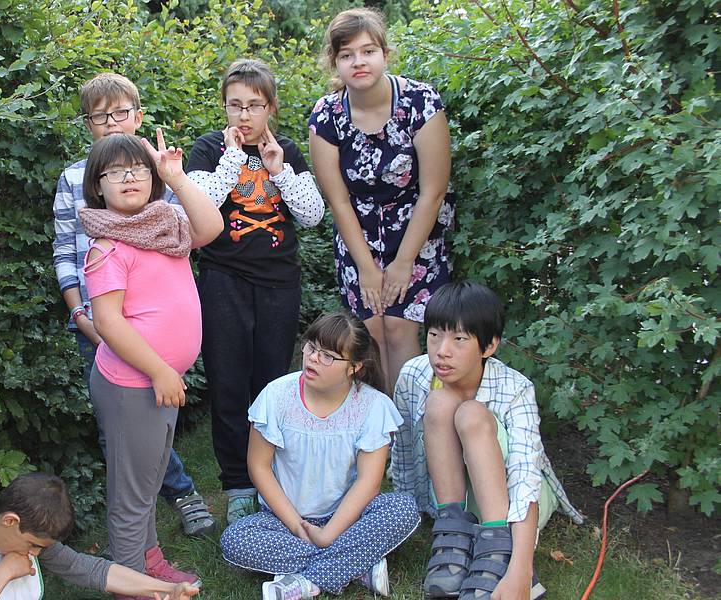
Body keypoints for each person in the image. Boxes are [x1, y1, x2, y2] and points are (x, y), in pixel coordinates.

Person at [52, 72, 216, 538]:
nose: (111, 123)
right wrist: (83, 317)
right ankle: (148, 522)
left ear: (138, 117)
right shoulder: (75, 181)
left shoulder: (154, 173)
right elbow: (66, 254)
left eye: (120, 112)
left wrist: (172, 175)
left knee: (153, 424)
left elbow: (199, 229)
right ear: (88, 125)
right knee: (122, 430)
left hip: (155, 338)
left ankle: (149, 531)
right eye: (99, 116)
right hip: (102, 324)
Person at [80, 131, 222, 597]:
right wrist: (160, 370)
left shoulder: (163, 226)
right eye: (116, 171)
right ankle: (130, 585)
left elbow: (211, 227)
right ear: (97, 185)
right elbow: (108, 321)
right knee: (131, 496)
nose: (130, 177)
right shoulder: (108, 247)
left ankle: (148, 562)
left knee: (148, 481)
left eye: (138, 168)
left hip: (160, 382)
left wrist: (176, 177)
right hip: (133, 384)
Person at [185, 59, 325, 524]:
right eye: (235, 105)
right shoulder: (208, 149)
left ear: (270, 107)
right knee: (227, 381)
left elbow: (312, 216)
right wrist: (231, 160)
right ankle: (237, 484)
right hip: (223, 279)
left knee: (272, 382)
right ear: (224, 107)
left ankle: (270, 473)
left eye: (254, 105)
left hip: (279, 283)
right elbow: (201, 206)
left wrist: (279, 171)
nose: (244, 116)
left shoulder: (287, 151)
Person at [391, 282, 583, 599]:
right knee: (439, 402)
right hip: (450, 494)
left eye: (459, 339)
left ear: (489, 346)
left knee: (471, 414)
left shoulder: (515, 388)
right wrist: (409, 513)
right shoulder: (414, 375)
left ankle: (498, 546)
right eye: (434, 334)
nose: (442, 350)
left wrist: (520, 569)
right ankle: (453, 534)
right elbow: (404, 451)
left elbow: (524, 478)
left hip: (512, 501)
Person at [220, 311, 419, 599]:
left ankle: (306, 582)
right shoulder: (276, 395)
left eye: (327, 356)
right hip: (283, 520)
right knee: (236, 538)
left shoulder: (373, 406)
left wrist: (329, 534)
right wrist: (296, 525)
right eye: (311, 348)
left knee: (402, 508)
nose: (313, 358)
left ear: (354, 367)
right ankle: (357, 564)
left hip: (349, 518)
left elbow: (369, 483)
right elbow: (258, 467)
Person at [308, 8, 456, 395]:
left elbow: (434, 191)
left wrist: (404, 262)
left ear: (385, 54)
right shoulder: (326, 115)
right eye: (347, 54)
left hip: (416, 232)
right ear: (335, 62)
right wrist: (366, 268)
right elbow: (338, 201)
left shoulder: (420, 102)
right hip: (357, 236)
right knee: (371, 332)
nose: (359, 62)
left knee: (401, 328)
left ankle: (412, 424)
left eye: (368, 51)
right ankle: (379, 426)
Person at [0, 472, 200, 600]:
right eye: (34, 546)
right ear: (10, 521)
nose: (36, 554)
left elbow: (86, 568)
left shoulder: (28, 535)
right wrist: (3, 573)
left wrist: (165, 589)